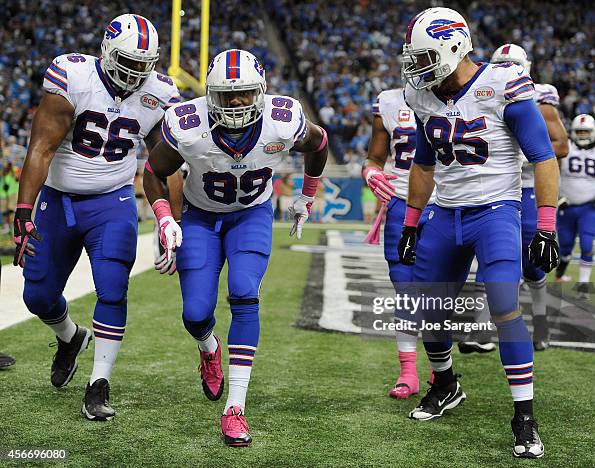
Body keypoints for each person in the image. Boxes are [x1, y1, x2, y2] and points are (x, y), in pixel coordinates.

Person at [143, 49, 328, 447]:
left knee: (245, 293)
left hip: (251, 215)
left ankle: (235, 407)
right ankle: (209, 350)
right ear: (210, 94)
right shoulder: (186, 124)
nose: (236, 103)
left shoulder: (283, 120)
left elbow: (320, 143)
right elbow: (154, 172)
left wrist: (307, 195)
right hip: (200, 218)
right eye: (227, 95)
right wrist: (164, 217)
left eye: (244, 93)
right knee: (195, 314)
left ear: (260, 92)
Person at [399, 7, 560, 458]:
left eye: (426, 56)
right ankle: (447, 383)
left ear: (455, 46)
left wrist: (545, 226)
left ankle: (524, 416)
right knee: (423, 306)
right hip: (445, 211)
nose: (418, 68)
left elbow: (544, 156)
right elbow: (424, 162)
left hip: (495, 211)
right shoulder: (422, 95)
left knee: (505, 306)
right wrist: (411, 222)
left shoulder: (504, 83)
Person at [13, 14, 181, 421]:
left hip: (113, 201)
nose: (136, 73)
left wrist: (169, 221)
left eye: (145, 64)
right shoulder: (73, 75)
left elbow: (167, 164)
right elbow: (41, 147)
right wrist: (23, 209)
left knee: (112, 288)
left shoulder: (159, 93)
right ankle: (70, 338)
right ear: (105, 51)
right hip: (59, 198)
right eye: (128, 61)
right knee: (36, 295)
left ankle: (99, 383)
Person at [459, 43, 569, 352]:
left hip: (528, 188)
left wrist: (528, 148)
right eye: (502, 63)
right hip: (494, 189)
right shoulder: (480, 87)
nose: (508, 68)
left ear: (526, 66)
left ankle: (542, 320)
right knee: (489, 255)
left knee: (533, 262)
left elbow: (561, 146)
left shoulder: (538, 95)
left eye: (513, 63)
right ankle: (480, 330)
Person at [363, 88, 434, 399]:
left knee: (437, 289)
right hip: (400, 201)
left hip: (443, 203)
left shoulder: (460, 96)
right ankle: (408, 372)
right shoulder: (390, 101)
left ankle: (438, 369)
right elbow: (374, 158)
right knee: (405, 289)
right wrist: (370, 174)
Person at [555, 114, 595, 297]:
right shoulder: (566, 147)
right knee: (564, 248)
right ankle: (561, 271)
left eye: (586, 131)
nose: (582, 134)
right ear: (573, 131)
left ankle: (584, 284)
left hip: (589, 207)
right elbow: (552, 173)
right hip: (566, 206)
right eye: (579, 131)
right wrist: (556, 197)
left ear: (593, 131)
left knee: (587, 244)